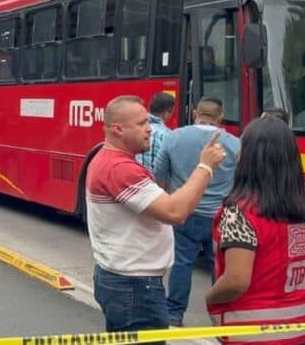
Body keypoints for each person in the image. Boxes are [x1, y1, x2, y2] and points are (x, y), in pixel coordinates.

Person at [86, 95, 224, 340]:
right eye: (141, 124)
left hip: (126, 281)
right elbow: (174, 212)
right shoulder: (120, 169)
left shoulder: (112, 161)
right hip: (134, 286)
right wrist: (205, 167)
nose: (149, 128)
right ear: (117, 129)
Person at [207, 117, 305, 345]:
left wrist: (210, 297)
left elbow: (236, 281)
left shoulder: (238, 211)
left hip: (255, 333)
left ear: (248, 157)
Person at [152, 97, 240, 327]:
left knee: (181, 263)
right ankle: (221, 316)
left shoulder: (173, 137)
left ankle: (174, 314)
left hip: (184, 212)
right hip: (221, 217)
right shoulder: (235, 144)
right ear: (220, 118)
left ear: (194, 113)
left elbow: (159, 176)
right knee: (219, 266)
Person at [136, 92, 175, 172]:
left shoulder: (134, 128)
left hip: (135, 181)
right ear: (166, 113)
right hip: (155, 182)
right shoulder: (167, 135)